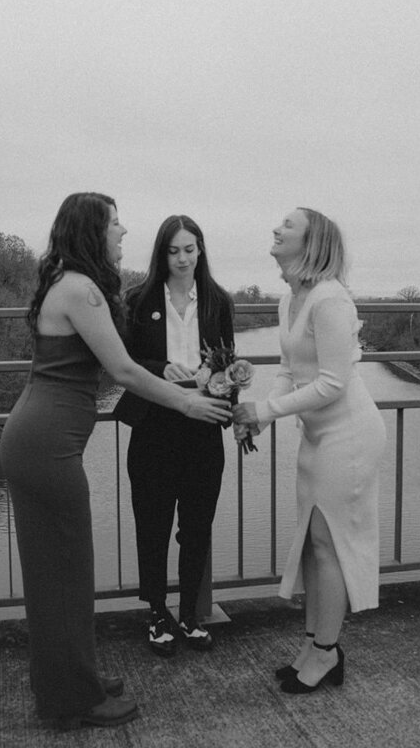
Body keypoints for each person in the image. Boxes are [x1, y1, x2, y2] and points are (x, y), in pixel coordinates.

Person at [0, 193, 232, 730]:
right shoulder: (81, 289)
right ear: (92, 231)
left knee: (60, 576)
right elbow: (124, 371)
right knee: (64, 578)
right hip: (46, 446)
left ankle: (69, 681)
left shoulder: (71, 282)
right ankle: (72, 701)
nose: (123, 231)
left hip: (43, 441)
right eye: (115, 223)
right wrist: (189, 403)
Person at [233, 207, 385, 694]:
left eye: (288, 226)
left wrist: (265, 410)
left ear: (312, 242)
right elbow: (289, 369)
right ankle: (314, 645)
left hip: (350, 435)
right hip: (320, 434)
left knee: (329, 544)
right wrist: (259, 412)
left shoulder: (330, 299)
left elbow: (334, 383)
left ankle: (326, 651)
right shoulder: (290, 299)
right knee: (315, 545)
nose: (276, 229)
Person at [114, 215, 236, 656]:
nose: (182, 259)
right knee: (153, 524)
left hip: (202, 424)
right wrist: (161, 368)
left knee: (197, 526)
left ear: (200, 250)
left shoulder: (218, 301)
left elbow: (229, 362)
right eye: (173, 251)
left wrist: (221, 384)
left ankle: (189, 615)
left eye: (189, 249)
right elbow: (123, 362)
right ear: (161, 254)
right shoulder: (139, 299)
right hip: (155, 424)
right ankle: (156, 613)